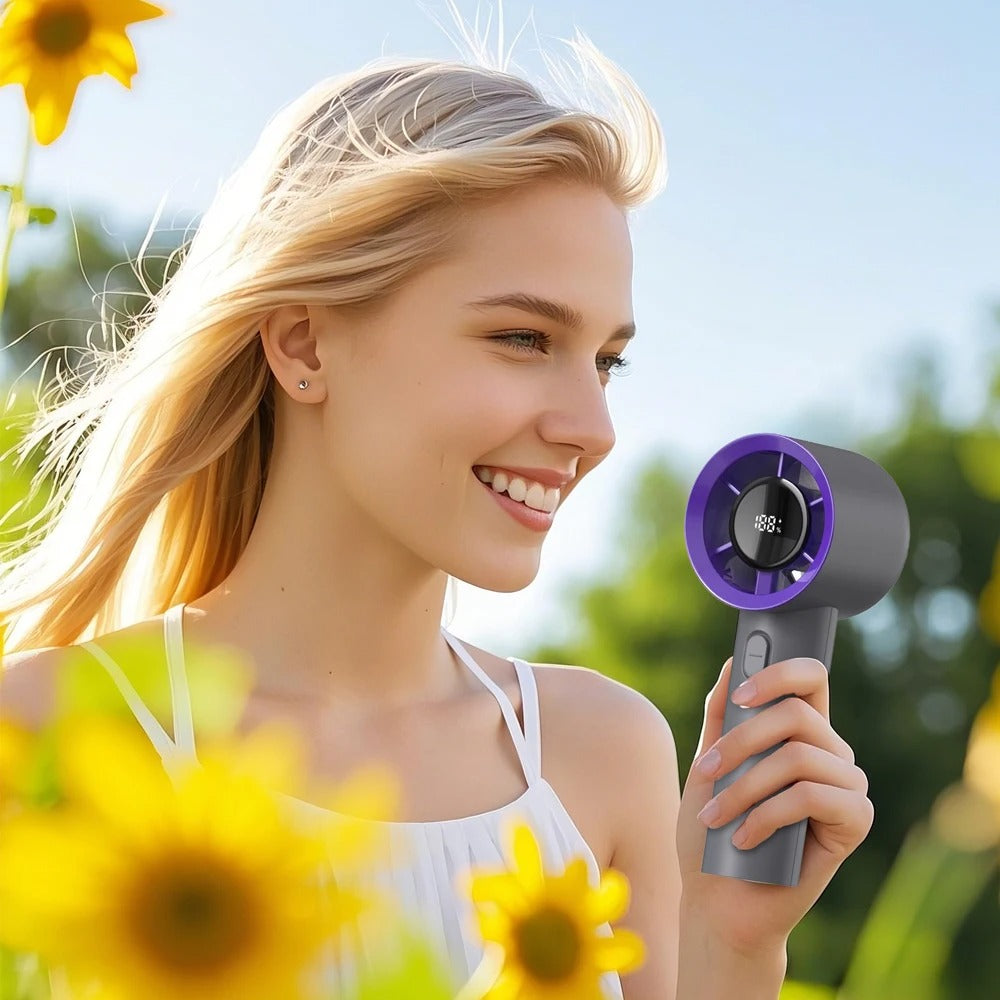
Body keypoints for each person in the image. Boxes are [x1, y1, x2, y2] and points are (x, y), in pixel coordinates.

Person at [0, 13, 874, 1000]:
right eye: (522, 339)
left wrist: (736, 945)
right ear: (303, 344)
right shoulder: (44, 733)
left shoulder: (604, 753)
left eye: (606, 361)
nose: (593, 427)